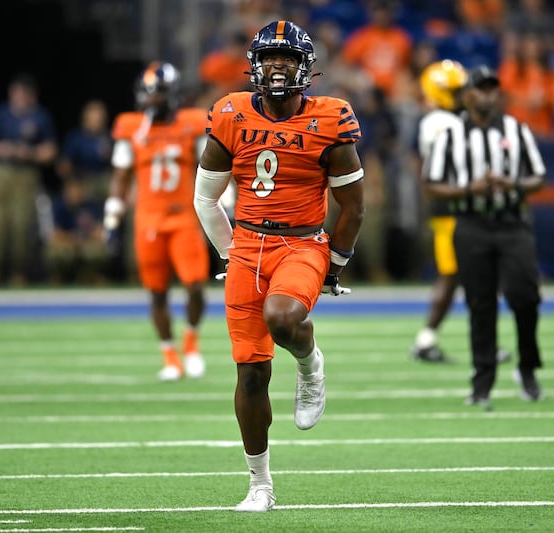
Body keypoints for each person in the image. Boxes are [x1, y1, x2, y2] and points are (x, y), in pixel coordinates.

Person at [193, 20, 365, 512]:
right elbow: (205, 198)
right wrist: (231, 253)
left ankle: (310, 363)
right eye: (270, 57)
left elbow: (353, 207)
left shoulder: (330, 117)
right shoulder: (230, 113)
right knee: (251, 374)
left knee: (283, 317)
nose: (277, 66)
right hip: (247, 244)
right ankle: (260, 485)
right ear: (254, 64)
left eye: (287, 58)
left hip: (302, 244)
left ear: (305, 67)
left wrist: (334, 266)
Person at [424, 66, 546, 410]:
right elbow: (431, 183)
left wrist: (514, 185)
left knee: (525, 296)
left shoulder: (516, 130)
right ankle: (482, 382)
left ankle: (527, 366)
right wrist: (469, 189)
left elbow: (539, 177)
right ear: (467, 95)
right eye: (480, 88)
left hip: (512, 223)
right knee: (480, 303)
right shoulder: (449, 135)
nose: (487, 95)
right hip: (471, 223)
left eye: (492, 88)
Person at [103, 61, 209, 382]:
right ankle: (170, 356)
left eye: (158, 92)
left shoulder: (192, 124)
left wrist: (225, 205)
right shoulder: (132, 127)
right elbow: (121, 177)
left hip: (184, 217)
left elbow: (211, 169)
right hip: (148, 219)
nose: (152, 99)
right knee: (157, 292)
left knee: (195, 286)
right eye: (148, 92)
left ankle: (191, 342)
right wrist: (112, 218)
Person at [411, 61, 511, 365]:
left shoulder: (453, 119)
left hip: (459, 207)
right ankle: (481, 344)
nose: (462, 95)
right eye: (455, 91)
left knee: (457, 276)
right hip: (453, 207)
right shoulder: (439, 122)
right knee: (469, 276)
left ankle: (427, 339)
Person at [0, 73, 57, 286]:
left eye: (25, 93)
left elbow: (50, 151)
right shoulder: (1, 114)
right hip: (1, 171)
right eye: (17, 93)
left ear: (32, 95)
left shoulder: (40, 116)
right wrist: (4, 149)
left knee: (22, 223)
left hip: (26, 173)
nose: (21, 97)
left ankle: (19, 270)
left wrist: (29, 153)